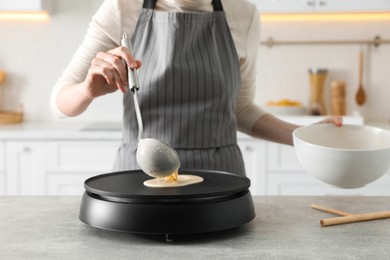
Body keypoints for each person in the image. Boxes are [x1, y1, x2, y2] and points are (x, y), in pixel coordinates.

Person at [51, 0, 342, 175]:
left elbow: (239, 109)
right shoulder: (122, 8)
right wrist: (86, 91)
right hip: (138, 179)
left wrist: (304, 137)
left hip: (220, 179)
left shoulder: (243, 14)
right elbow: (59, 101)